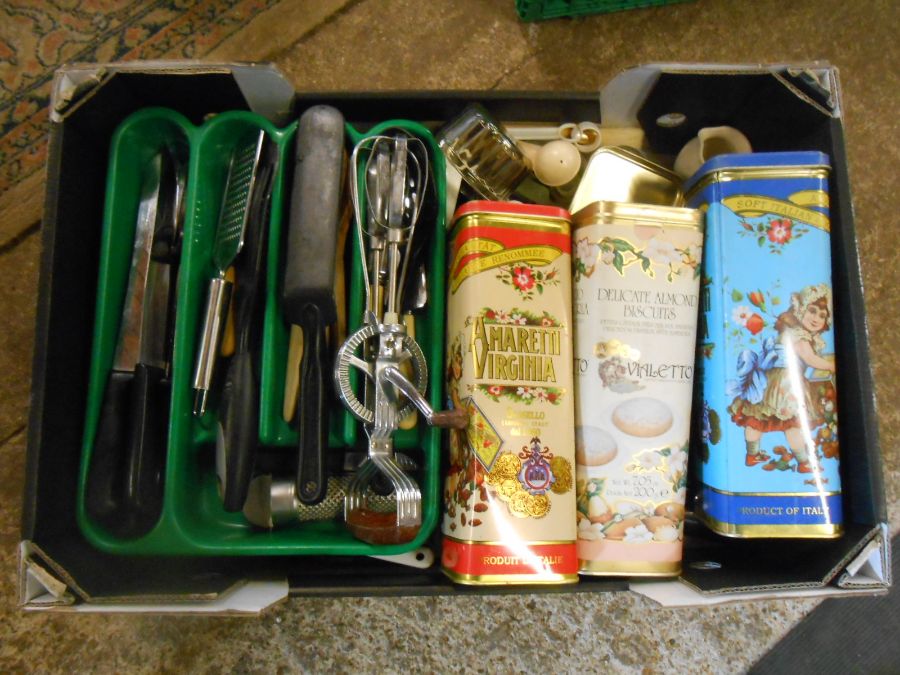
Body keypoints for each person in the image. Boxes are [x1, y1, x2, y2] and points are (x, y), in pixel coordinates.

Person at [728, 283, 836, 473]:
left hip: (769, 382)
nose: (816, 318)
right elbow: (809, 359)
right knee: (793, 424)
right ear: (799, 310)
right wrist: (830, 365)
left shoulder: (791, 332)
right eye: (812, 311)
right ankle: (803, 462)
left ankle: (752, 455)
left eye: (822, 315)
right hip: (786, 385)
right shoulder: (799, 336)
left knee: (757, 419)